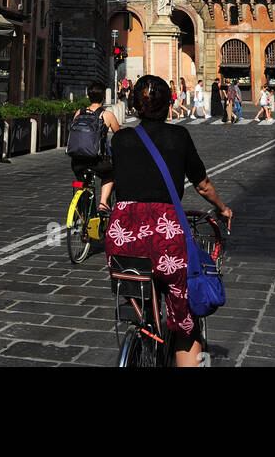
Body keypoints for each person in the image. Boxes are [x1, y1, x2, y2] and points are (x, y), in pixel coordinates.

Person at [105, 75, 233, 369]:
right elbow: (202, 185)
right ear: (169, 103)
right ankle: (179, 334)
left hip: (123, 235)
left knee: (137, 288)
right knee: (185, 323)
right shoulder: (179, 137)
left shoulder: (121, 139)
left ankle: (140, 326)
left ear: (135, 105)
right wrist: (222, 209)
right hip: (166, 237)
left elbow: (113, 175)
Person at [68, 82, 120, 212]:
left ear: (89, 96)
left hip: (77, 161)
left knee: (83, 182)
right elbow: (119, 136)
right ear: (103, 97)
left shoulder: (79, 112)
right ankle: (103, 203)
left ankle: (84, 215)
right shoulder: (106, 115)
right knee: (109, 175)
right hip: (97, 161)